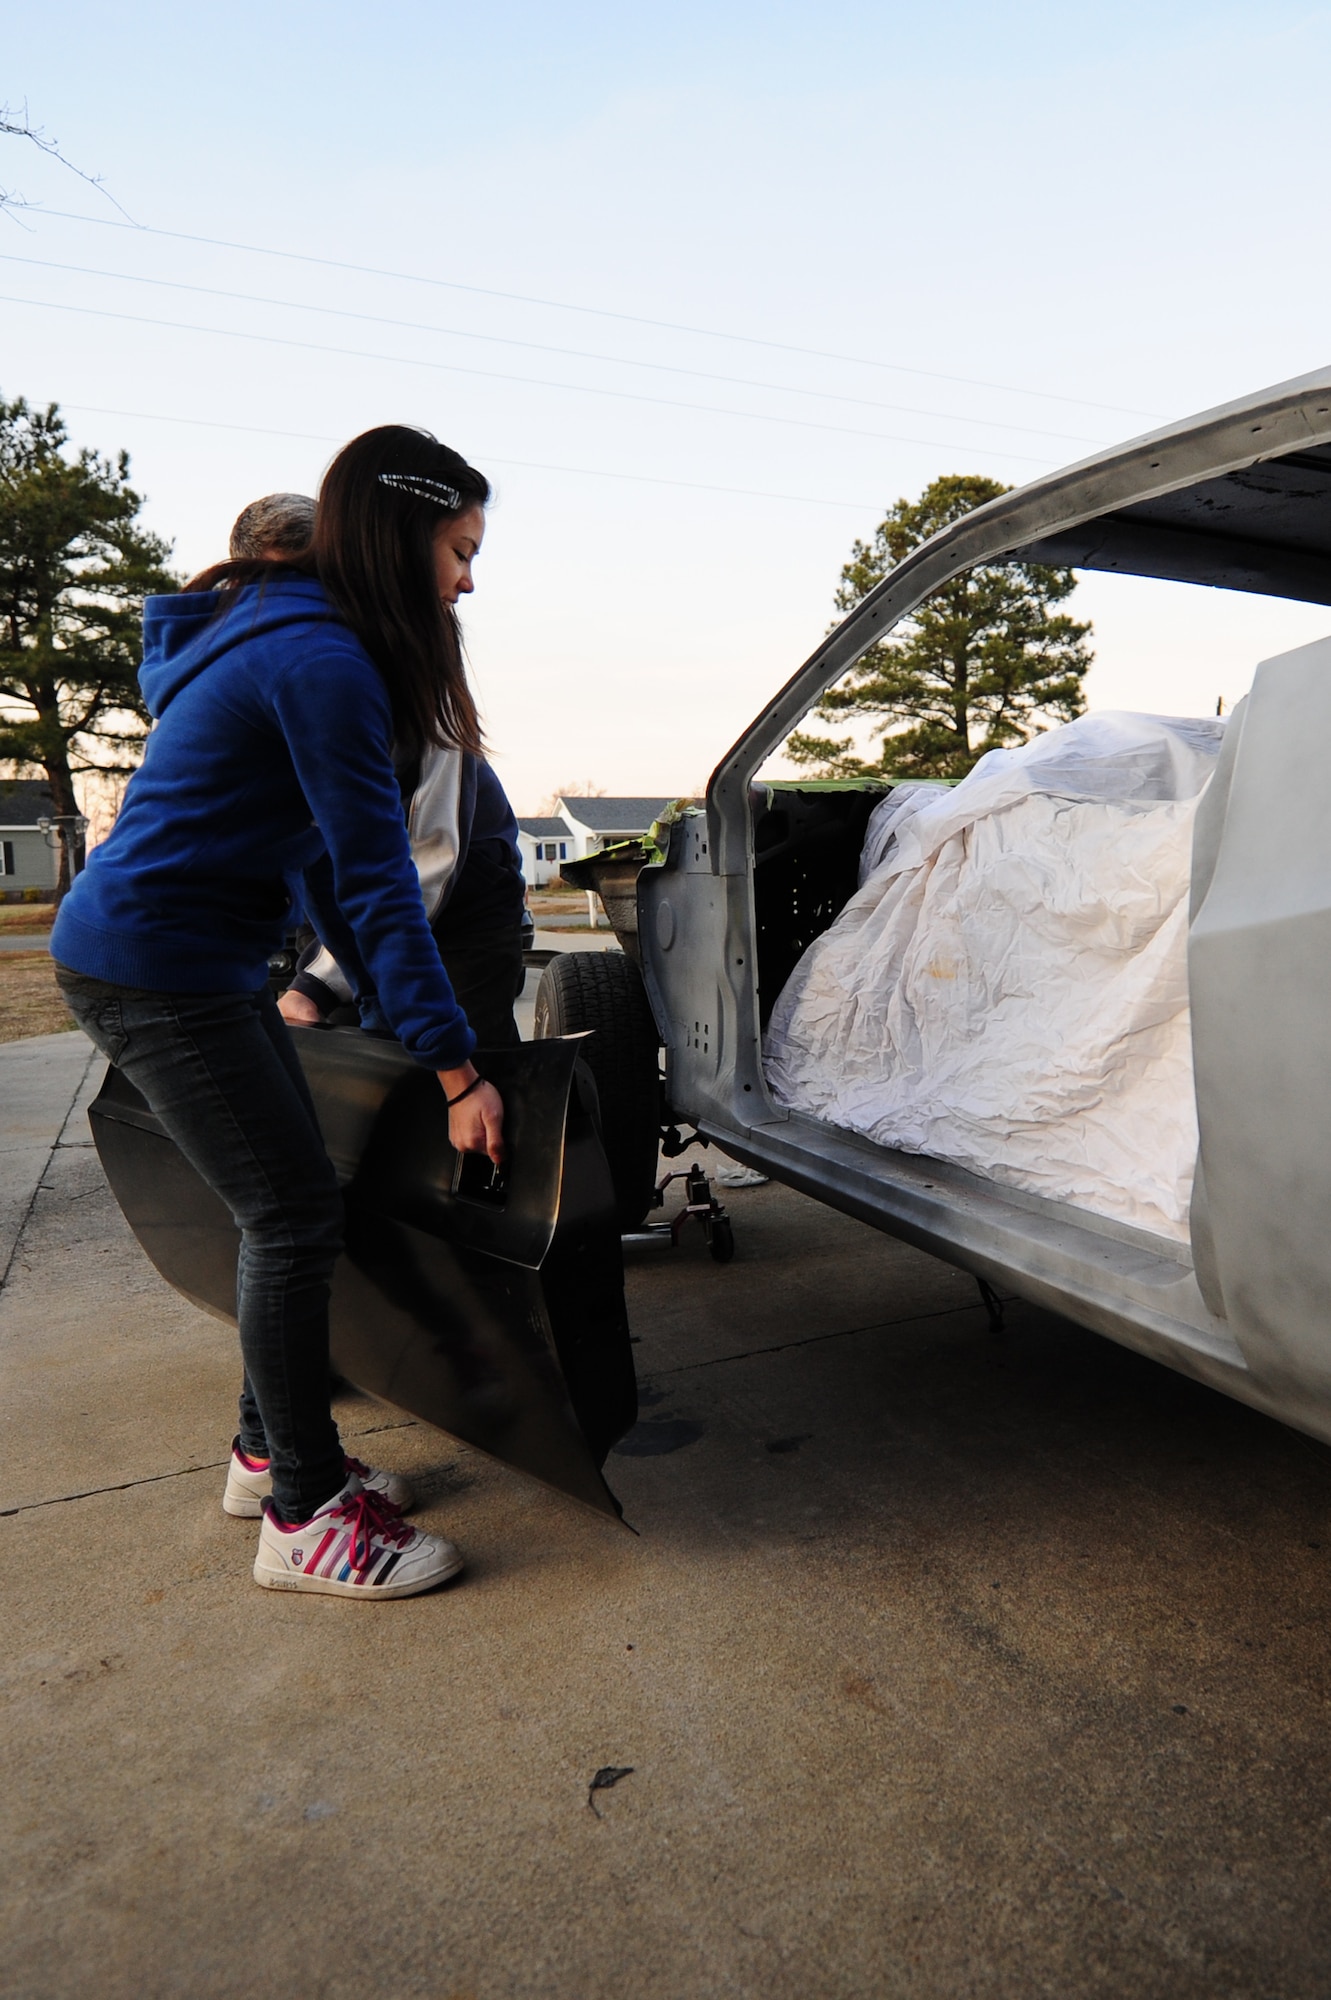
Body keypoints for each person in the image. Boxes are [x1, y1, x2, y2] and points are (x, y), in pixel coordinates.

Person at [52, 425, 504, 1601]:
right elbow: (375, 881)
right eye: (460, 548)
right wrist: (459, 1071)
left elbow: (321, 876)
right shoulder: (325, 663)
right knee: (294, 1212)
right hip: (157, 966)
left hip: (185, 960)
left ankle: (271, 1452)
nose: (469, 577)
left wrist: (378, 1008)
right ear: (408, 537)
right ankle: (301, 1517)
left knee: (296, 1193)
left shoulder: (300, 638)